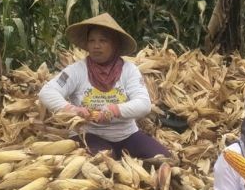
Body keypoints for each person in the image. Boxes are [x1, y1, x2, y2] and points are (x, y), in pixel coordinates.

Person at [38, 13, 169, 159]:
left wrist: (113, 110)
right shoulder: (76, 70)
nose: (96, 46)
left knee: (165, 159)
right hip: (88, 134)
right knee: (104, 160)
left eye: (103, 40)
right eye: (91, 40)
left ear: (115, 44)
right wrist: (73, 110)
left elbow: (143, 104)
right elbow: (47, 92)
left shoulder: (129, 70)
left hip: (125, 134)